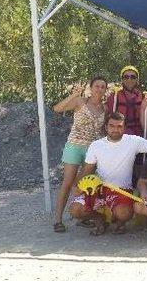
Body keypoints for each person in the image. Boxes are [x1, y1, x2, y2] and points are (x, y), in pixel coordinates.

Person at [69, 112, 147, 236]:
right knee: (75, 210)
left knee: (123, 214)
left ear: (124, 128)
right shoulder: (96, 145)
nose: (115, 129)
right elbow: (87, 169)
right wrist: (76, 185)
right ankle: (100, 220)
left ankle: (120, 223)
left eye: (119, 126)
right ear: (106, 127)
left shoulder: (133, 141)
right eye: (112, 126)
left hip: (122, 190)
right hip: (99, 188)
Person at [52, 76, 107, 233]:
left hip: (92, 150)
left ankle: (83, 216)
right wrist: (73, 95)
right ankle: (58, 220)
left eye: (103, 86)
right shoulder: (80, 102)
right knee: (68, 182)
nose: (99, 89)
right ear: (91, 87)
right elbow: (57, 108)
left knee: (86, 184)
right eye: (97, 86)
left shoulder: (105, 108)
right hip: (75, 146)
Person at [105, 65, 145, 136]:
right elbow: (106, 118)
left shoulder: (144, 97)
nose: (129, 80)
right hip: (120, 134)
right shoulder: (114, 97)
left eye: (133, 77)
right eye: (126, 77)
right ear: (122, 80)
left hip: (139, 134)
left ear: (137, 80)